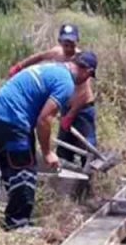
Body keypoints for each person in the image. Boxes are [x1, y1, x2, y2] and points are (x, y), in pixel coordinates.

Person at [0, 51, 98, 230]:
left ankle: (11, 217)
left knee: (12, 167)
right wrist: (47, 152)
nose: (86, 81)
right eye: (89, 76)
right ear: (87, 71)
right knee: (24, 170)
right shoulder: (66, 82)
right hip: (13, 118)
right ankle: (17, 224)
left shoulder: (54, 68)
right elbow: (45, 119)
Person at [7, 24, 98, 166]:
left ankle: (88, 176)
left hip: (82, 109)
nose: (68, 48)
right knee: (63, 145)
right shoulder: (57, 53)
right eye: (66, 44)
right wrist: (19, 66)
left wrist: (71, 115)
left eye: (71, 44)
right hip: (65, 106)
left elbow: (83, 95)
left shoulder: (81, 62)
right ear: (60, 42)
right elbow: (39, 57)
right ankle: (65, 176)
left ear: (76, 42)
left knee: (86, 144)